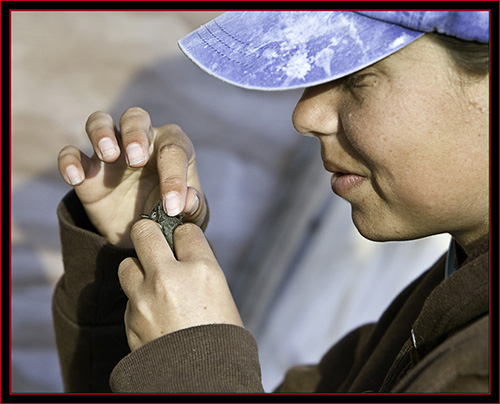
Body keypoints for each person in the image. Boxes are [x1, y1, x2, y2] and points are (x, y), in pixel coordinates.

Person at [54, 11, 489, 393]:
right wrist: (137, 264)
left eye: (357, 76)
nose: (304, 115)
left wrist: (194, 364)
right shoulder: (452, 292)